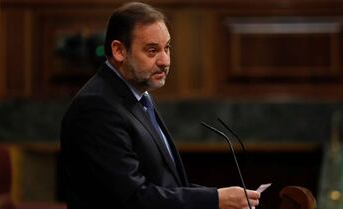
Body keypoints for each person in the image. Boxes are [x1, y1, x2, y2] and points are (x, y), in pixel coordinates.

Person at [60, 2, 260, 209]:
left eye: (167, 48)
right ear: (119, 50)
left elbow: (166, 184)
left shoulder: (138, 96)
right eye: (152, 50)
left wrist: (221, 198)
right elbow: (133, 198)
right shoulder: (96, 108)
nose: (165, 61)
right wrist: (215, 200)